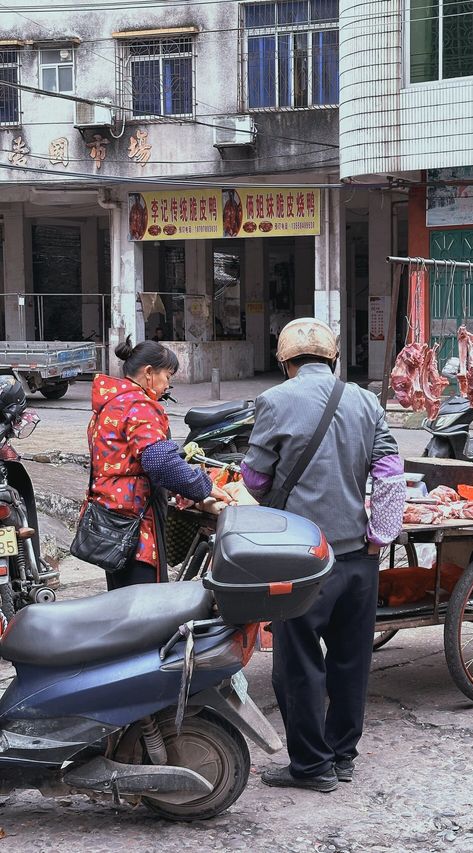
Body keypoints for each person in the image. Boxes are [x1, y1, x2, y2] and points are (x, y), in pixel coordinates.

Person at [241, 318, 405, 793]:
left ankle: (312, 767)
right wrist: (379, 536)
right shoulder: (365, 400)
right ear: (333, 359)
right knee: (352, 662)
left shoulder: (275, 401)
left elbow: (254, 481)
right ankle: (342, 756)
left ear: (286, 364)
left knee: (298, 665)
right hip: (358, 557)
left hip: (302, 560)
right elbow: (391, 475)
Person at [85, 337, 231, 590]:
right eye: (168, 376)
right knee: (144, 608)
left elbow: (134, 460)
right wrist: (203, 486)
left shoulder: (110, 403)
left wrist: (180, 488)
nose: (167, 385)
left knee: (120, 600)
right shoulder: (139, 405)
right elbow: (159, 461)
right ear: (149, 373)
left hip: (110, 519)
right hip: (134, 525)